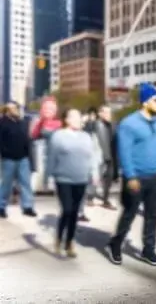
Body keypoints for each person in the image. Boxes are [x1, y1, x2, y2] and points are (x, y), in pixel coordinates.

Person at [107, 83, 156, 267]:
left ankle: (148, 250)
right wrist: (130, 176)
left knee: (152, 216)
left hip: (155, 178)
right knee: (129, 213)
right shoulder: (129, 123)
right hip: (136, 178)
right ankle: (116, 243)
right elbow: (124, 152)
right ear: (145, 102)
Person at [48, 108, 98, 257]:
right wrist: (49, 178)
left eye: (79, 117)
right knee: (67, 210)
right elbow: (51, 158)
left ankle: (69, 242)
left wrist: (94, 173)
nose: (78, 120)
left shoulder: (86, 137)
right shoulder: (58, 136)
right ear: (67, 120)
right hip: (63, 179)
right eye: (74, 117)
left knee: (75, 212)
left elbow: (92, 156)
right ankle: (58, 238)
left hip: (81, 179)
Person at [0, 103, 36, 218]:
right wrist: (4, 152)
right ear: (7, 111)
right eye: (13, 108)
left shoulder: (21, 122)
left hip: (23, 158)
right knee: (6, 184)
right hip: (8, 159)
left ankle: (28, 206)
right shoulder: (2, 123)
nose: (16, 110)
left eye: (16, 108)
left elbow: (27, 139)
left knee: (26, 183)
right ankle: (1, 207)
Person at [92, 106, 118, 209]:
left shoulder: (112, 125)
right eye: (106, 112)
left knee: (109, 179)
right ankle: (90, 197)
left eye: (109, 112)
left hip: (110, 156)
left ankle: (105, 200)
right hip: (100, 157)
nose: (109, 115)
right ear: (100, 114)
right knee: (95, 178)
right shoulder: (96, 125)